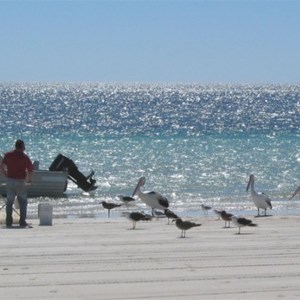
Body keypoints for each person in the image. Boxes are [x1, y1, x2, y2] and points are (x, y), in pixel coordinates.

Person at [0, 140, 33, 227]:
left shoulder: (8, 155)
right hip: (20, 181)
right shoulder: (24, 157)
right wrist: (30, 180)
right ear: (21, 147)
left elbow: (2, 165)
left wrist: (5, 174)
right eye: (24, 146)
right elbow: (30, 169)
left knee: (9, 202)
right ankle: (22, 221)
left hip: (10, 180)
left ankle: (8, 221)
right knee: (22, 202)